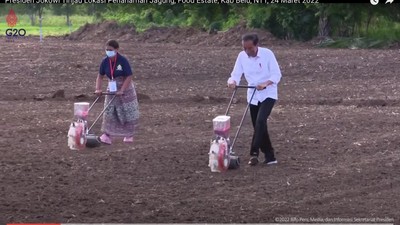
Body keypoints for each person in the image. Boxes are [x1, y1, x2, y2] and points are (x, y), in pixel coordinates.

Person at [227, 33, 282, 166]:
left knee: (260, 121)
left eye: (249, 48)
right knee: (259, 126)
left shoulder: (267, 54)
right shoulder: (242, 56)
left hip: (268, 93)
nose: (247, 51)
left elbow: (276, 74)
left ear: (256, 45)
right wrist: (232, 82)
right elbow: (236, 74)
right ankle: (270, 156)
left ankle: (254, 153)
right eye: (244, 48)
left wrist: (265, 83)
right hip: (252, 95)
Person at [95, 39, 140, 145]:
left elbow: (129, 75)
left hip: (125, 87)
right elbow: (100, 76)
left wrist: (122, 90)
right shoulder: (105, 61)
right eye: (106, 50)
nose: (108, 52)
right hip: (112, 87)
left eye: (110, 50)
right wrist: (98, 89)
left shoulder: (123, 61)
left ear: (116, 50)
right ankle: (107, 135)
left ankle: (129, 135)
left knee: (127, 111)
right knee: (109, 111)